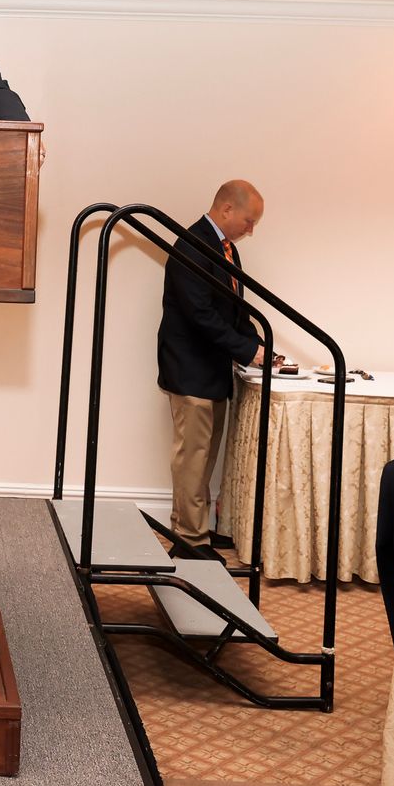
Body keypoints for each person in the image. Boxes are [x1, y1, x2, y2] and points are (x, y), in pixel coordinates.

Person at [155, 180, 264, 559]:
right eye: (249, 221)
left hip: (212, 371)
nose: (251, 229)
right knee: (192, 457)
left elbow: (233, 308)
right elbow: (199, 315)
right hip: (190, 371)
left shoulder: (227, 250)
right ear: (227, 209)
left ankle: (196, 528)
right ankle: (189, 539)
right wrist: (247, 350)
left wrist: (258, 344)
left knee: (205, 456)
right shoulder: (193, 244)